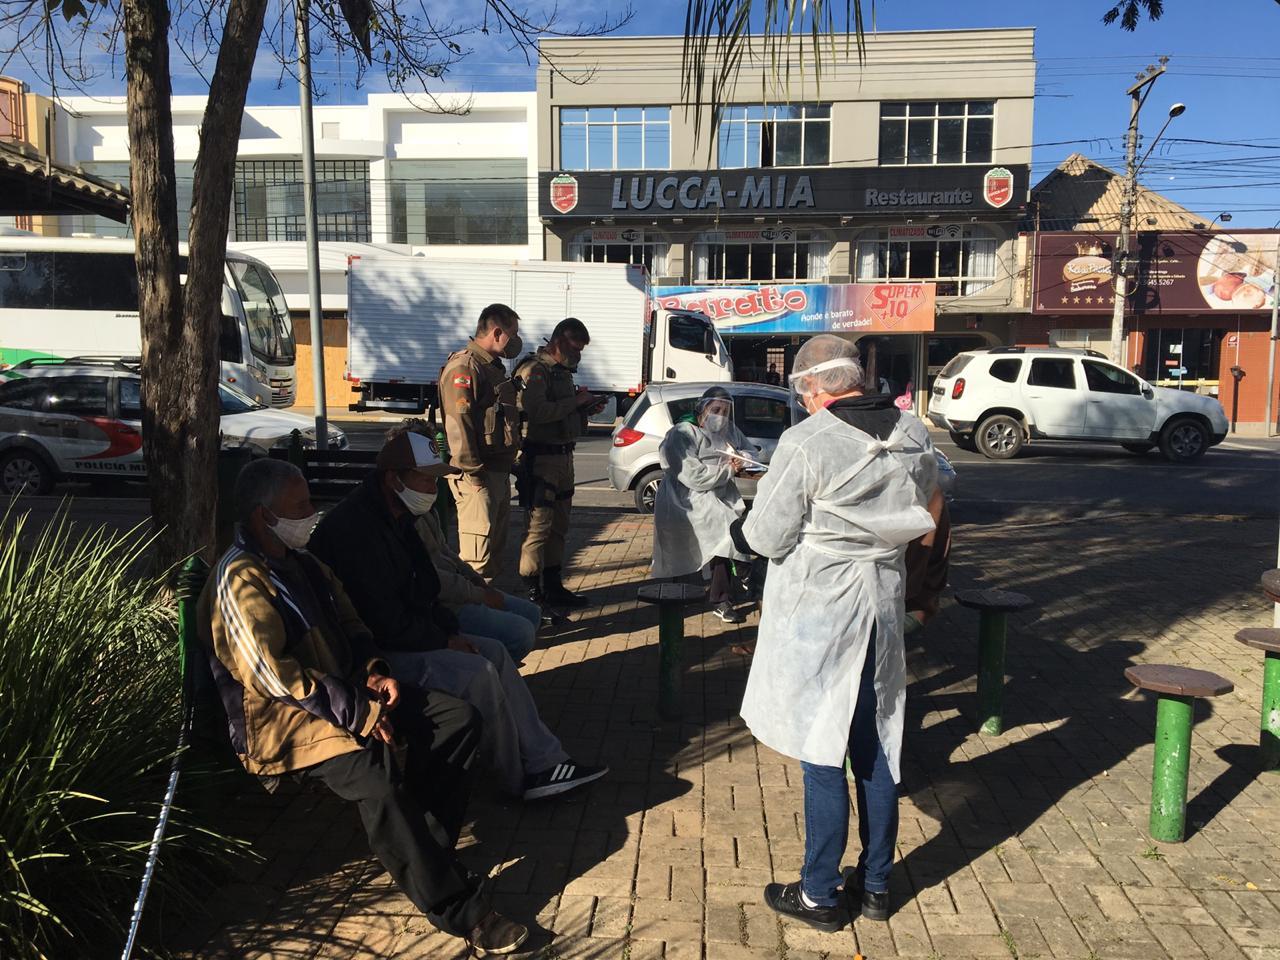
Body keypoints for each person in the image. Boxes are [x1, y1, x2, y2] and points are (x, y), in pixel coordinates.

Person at [200, 458, 527, 955]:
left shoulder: (304, 563)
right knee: (376, 774)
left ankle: (426, 854)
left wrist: (374, 672)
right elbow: (272, 676)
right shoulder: (240, 578)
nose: (313, 513)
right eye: (301, 506)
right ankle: (460, 908)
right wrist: (361, 712)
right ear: (264, 517)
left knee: (457, 720)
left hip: (342, 695)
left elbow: (351, 626)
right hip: (282, 722)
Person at [737, 335, 941, 930]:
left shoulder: (807, 441)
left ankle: (819, 894)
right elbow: (923, 506)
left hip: (822, 609)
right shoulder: (913, 433)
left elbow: (768, 536)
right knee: (877, 743)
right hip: (882, 599)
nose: (803, 401)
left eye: (803, 391)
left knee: (822, 750)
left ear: (818, 387)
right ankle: (876, 886)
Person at [308, 430, 608, 801]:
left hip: (406, 634)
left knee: (493, 652)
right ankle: (517, 779)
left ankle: (545, 759)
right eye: (425, 478)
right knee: (477, 671)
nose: (433, 487)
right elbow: (383, 620)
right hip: (374, 658)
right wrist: (444, 640)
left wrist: (449, 631)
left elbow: (426, 588)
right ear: (393, 477)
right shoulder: (358, 530)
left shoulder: (397, 513)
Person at [394, 418, 543, 663]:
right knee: (520, 633)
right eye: (425, 478)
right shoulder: (397, 517)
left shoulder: (421, 507)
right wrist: (478, 594)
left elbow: (446, 554)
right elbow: (429, 578)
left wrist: (480, 585)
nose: (433, 487)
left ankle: (498, 666)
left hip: (455, 594)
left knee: (531, 614)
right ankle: (491, 667)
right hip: (439, 605)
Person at [651, 386, 758, 624]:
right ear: (703, 408)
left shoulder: (728, 430)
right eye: (716, 410)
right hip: (687, 498)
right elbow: (693, 476)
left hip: (720, 493)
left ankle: (732, 586)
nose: (721, 416)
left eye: (726, 411)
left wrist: (741, 458)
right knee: (725, 532)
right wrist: (729, 469)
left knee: (733, 530)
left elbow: (750, 451)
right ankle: (733, 587)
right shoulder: (683, 433)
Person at [514, 317, 601, 608]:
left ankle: (553, 586)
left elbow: (562, 412)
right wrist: (575, 403)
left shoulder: (562, 372)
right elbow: (537, 411)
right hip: (541, 459)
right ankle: (532, 594)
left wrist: (585, 407)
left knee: (559, 526)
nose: (578, 356)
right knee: (538, 527)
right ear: (560, 342)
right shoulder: (535, 370)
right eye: (575, 349)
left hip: (563, 456)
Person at [440, 303, 524, 581]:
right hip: (478, 477)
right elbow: (458, 426)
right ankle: (473, 620)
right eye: (513, 334)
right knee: (477, 562)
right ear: (497, 332)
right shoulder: (464, 367)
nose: (517, 341)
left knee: (494, 556)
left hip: (496, 474)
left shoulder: (492, 368)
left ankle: (491, 614)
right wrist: (474, 475)